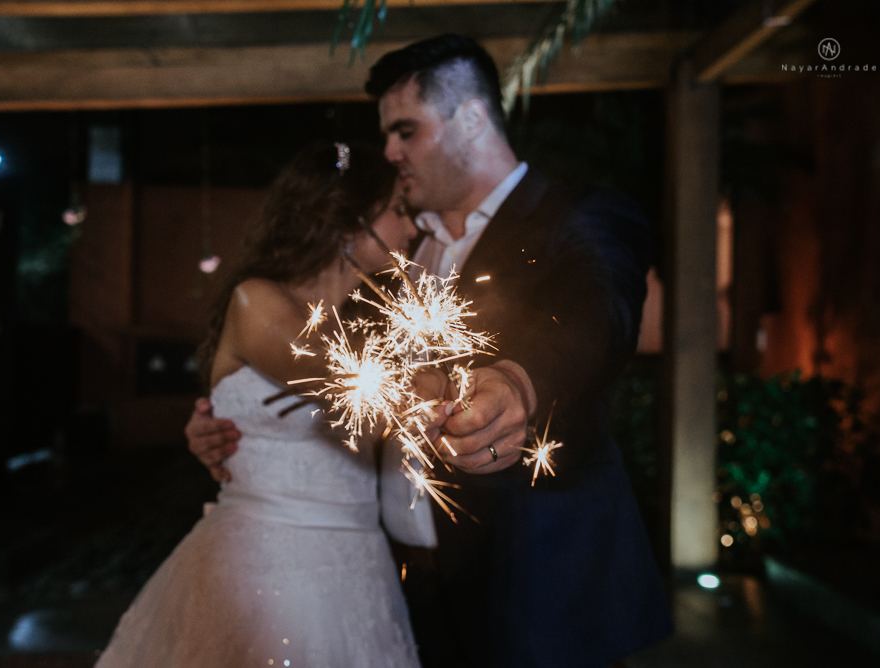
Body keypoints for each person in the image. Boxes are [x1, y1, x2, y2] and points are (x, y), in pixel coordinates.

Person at [188, 34, 674, 668]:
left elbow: (595, 312)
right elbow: (318, 373)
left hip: (536, 591)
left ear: (470, 119)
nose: (389, 153)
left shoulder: (576, 217)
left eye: (405, 132)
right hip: (396, 587)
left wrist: (519, 380)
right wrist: (226, 422)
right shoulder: (383, 258)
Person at [97, 141, 422, 668]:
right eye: (397, 211)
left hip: (361, 565)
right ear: (346, 221)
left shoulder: (372, 324)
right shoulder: (258, 302)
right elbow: (345, 385)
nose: (410, 229)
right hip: (268, 568)